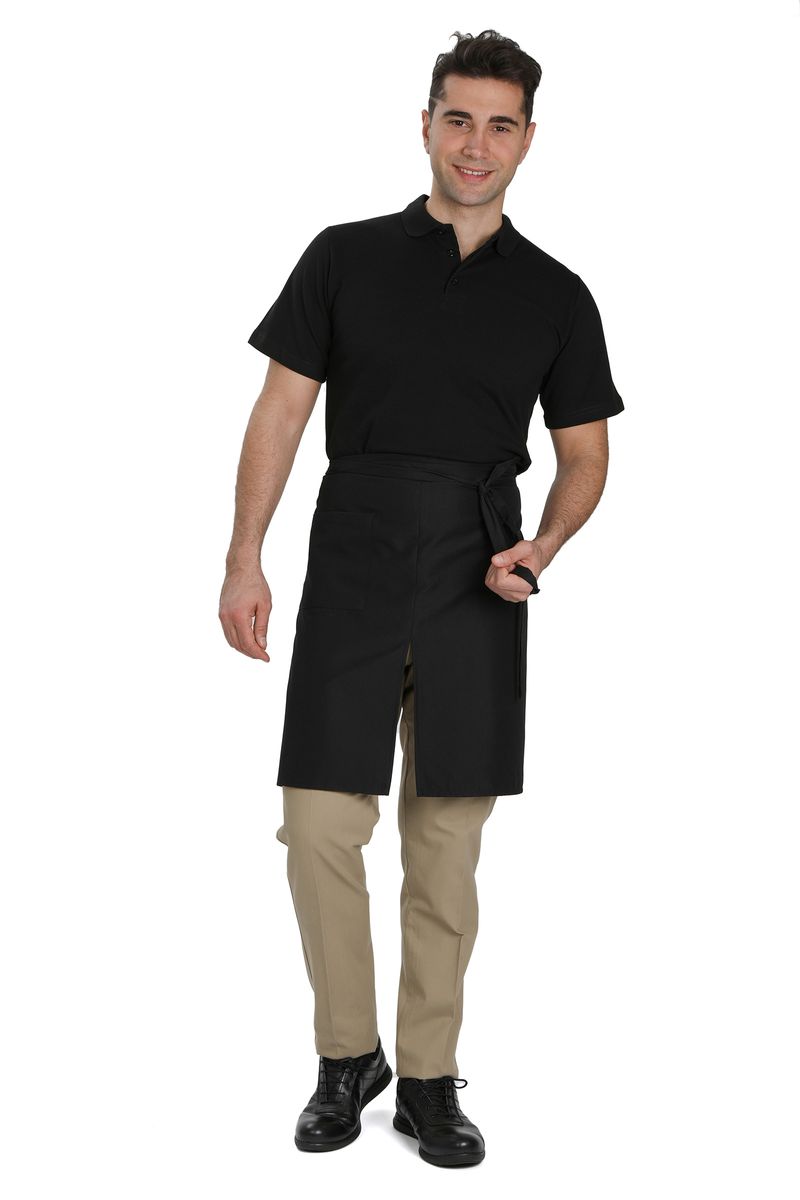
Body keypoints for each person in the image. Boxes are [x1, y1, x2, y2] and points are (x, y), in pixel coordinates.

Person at [219, 28, 624, 1168]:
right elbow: (282, 409)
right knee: (316, 823)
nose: (476, 144)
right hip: (351, 555)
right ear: (426, 124)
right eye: (458, 119)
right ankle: (346, 1056)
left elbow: (585, 456)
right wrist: (244, 556)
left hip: (477, 571)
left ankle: (430, 1079)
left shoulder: (557, 294)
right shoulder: (342, 256)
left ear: (528, 139)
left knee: (445, 844)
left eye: (500, 125)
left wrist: (541, 546)